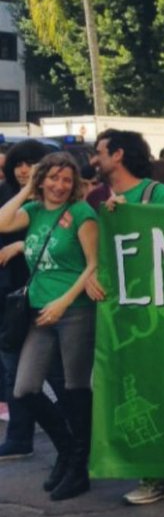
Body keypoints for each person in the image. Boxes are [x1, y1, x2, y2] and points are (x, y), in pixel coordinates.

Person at [90, 130, 164, 504]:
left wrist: (132, 217)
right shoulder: (99, 199)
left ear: (118, 154)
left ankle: (160, 474)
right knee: (128, 387)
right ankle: (152, 470)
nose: (94, 159)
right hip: (120, 309)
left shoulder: (153, 193)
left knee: (155, 387)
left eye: (99, 152)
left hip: (155, 308)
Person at [0, 153, 98, 501]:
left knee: (75, 388)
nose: (59, 186)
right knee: (25, 388)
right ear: (42, 180)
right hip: (39, 311)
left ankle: (79, 468)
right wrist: (27, 187)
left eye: (66, 180)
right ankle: (69, 451)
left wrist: (65, 301)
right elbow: (1, 221)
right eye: (53, 178)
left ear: (74, 186)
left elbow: (93, 264)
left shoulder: (82, 214)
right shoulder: (36, 212)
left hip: (74, 312)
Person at [0, 141, 52, 461]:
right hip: (10, 297)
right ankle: (20, 436)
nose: (23, 169)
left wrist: (22, 245)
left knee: (59, 374)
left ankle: (77, 436)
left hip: (50, 295)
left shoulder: (57, 201)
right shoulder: (8, 197)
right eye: (19, 163)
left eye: (31, 163)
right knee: (13, 368)